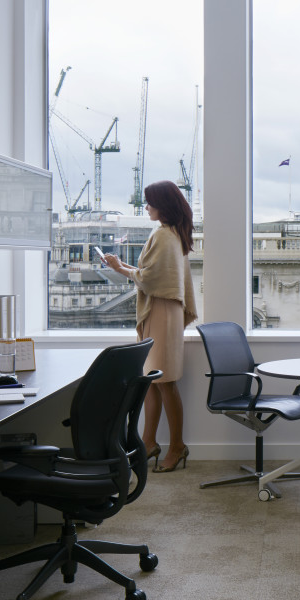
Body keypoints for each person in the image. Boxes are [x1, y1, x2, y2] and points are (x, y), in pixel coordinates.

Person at [103, 180, 197, 473]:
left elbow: (150, 279)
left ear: (162, 205)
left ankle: (177, 446)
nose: (146, 208)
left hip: (162, 313)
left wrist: (121, 269)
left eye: (150, 203)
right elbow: (150, 275)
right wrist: (122, 268)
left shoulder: (165, 236)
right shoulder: (171, 235)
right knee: (152, 383)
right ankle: (149, 441)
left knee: (165, 383)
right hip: (162, 311)